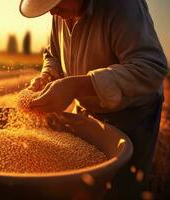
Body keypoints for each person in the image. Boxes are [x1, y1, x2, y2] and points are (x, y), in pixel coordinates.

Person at [19, 0, 168, 199]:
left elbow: (151, 67)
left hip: (131, 114)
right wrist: (49, 75)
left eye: (55, 3)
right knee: (83, 183)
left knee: (120, 187)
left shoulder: (123, 6)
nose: (52, 12)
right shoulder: (61, 12)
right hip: (86, 108)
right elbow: (53, 54)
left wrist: (76, 87)